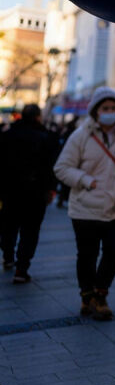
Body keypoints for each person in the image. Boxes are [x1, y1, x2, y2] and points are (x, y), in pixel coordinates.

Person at [54, 88, 115, 320]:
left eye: (114, 108)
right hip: (85, 207)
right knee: (87, 254)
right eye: (105, 108)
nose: (110, 112)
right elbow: (62, 168)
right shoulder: (81, 135)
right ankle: (88, 297)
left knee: (114, 252)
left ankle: (101, 293)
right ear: (96, 111)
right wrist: (87, 181)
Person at [0, 104, 60, 282]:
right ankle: (21, 268)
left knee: (8, 225)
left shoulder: (7, 136)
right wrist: (51, 188)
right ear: (38, 117)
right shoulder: (45, 137)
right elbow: (51, 166)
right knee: (30, 230)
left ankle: (8, 255)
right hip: (35, 191)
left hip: (9, 190)